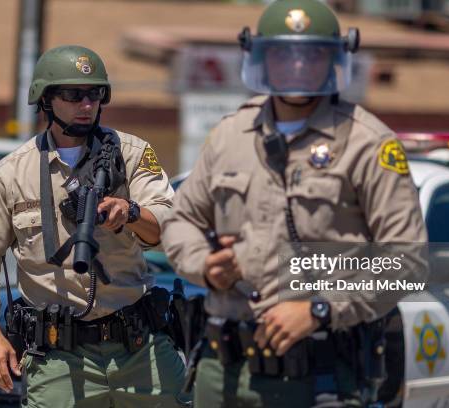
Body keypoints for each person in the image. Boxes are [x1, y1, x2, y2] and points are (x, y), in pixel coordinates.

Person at [162, 1, 428, 407]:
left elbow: (407, 262)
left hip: (319, 372)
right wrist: (204, 264)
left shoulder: (368, 143)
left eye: (313, 54)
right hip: (221, 372)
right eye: (284, 54)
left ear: (334, 59)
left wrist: (321, 309)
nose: (299, 65)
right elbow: (181, 219)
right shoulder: (230, 135)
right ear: (262, 58)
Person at [0, 45, 186, 408]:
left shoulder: (132, 153)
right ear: (46, 99)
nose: (86, 104)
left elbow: (169, 226)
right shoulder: (10, 174)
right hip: (58, 359)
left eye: (95, 94)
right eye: (73, 94)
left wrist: (132, 211)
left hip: (141, 350)